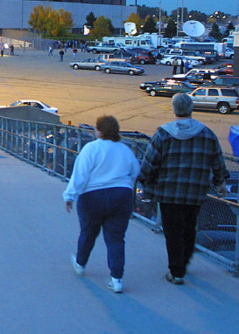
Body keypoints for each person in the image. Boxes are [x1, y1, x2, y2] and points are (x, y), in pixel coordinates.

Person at [139, 93, 229, 285]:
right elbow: (218, 161)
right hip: (195, 192)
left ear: (174, 109)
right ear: (191, 108)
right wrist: (220, 182)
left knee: (172, 232)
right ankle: (184, 263)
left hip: (168, 192)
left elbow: (150, 162)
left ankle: (176, 271)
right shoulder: (207, 133)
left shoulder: (163, 134)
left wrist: (145, 181)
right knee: (189, 228)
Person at [62, 115, 141, 294]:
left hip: (93, 197)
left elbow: (80, 175)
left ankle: (81, 263)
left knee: (88, 232)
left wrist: (70, 196)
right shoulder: (125, 149)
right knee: (115, 238)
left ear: (99, 130)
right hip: (121, 195)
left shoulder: (91, 148)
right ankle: (117, 278)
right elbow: (135, 170)